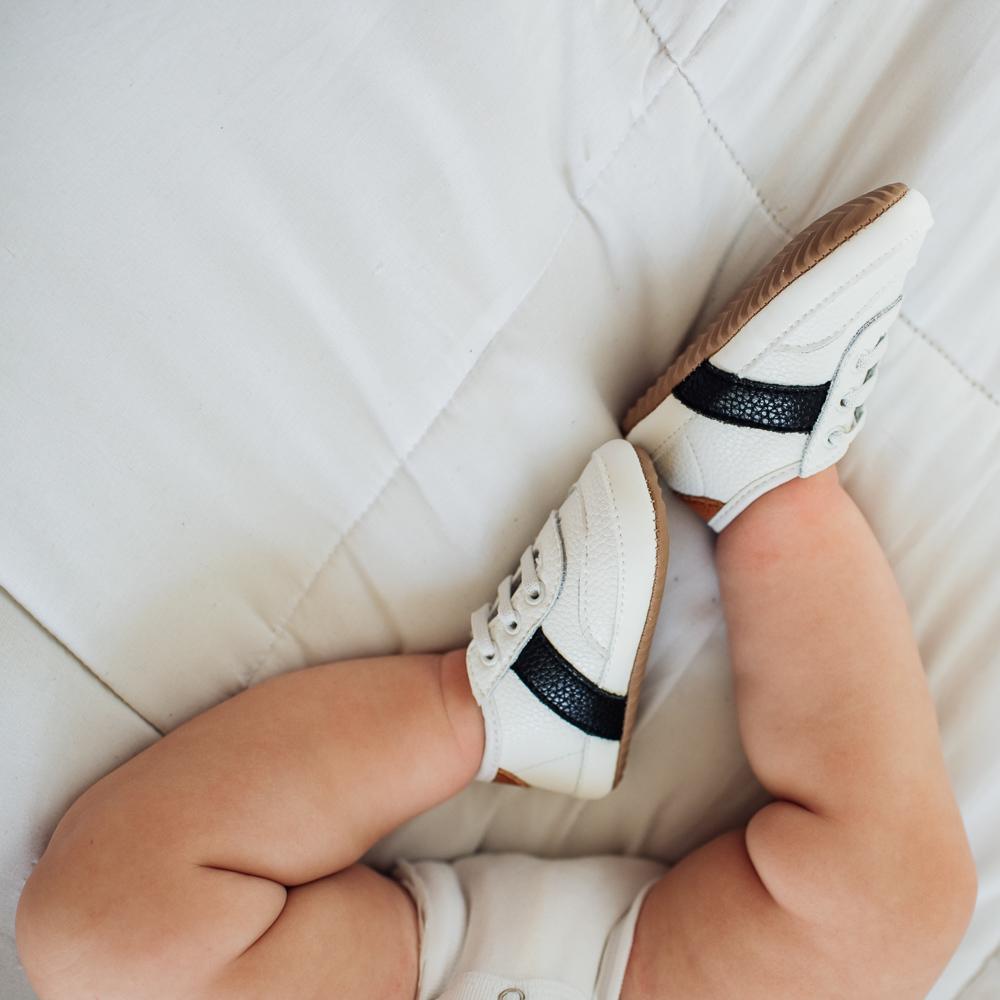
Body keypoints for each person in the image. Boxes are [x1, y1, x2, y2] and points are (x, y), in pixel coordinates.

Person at [15, 183, 976, 1000]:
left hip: (394, 974)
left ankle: (502, 706)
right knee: (898, 905)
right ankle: (760, 476)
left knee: (93, 938)